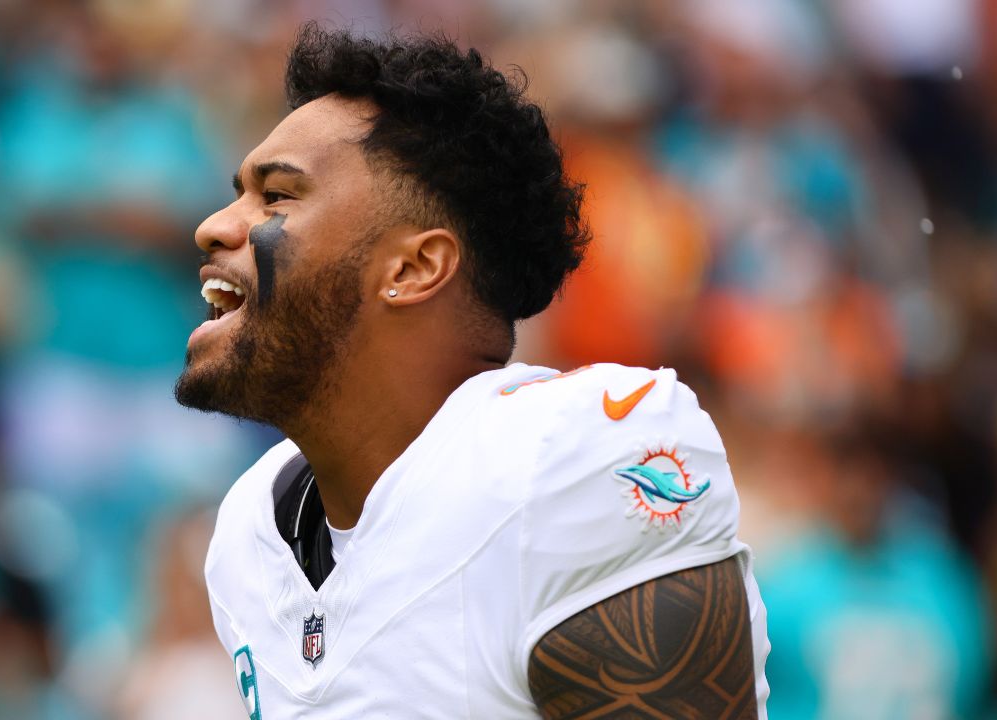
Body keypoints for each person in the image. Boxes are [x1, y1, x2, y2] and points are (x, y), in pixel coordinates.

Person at [175, 23, 769, 718]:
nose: (215, 226)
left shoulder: (570, 460)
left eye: (276, 196)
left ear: (413, 267)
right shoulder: (252, 529)